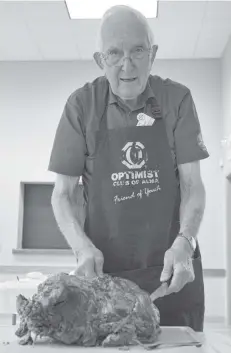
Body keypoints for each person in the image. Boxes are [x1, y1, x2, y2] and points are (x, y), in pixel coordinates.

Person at [48, 5, 209, 332]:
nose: (127, 64)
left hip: (172, 273)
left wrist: (186, 240)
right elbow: (62, 195)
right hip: (105, 279)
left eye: (138, 50)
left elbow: (193, 185)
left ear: (153, 54)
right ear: (99, 60)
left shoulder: (177, 100)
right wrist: (81, 247)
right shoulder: (81, 106)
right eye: (114, 53)